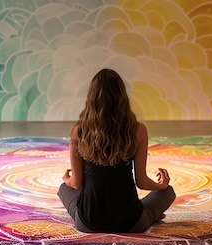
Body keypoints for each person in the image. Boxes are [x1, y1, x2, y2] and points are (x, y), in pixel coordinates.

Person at [57, 68, 176, 233]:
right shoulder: (138, 130)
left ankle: (150, 212)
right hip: (133, 223)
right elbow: (141, 182)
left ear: (91, 98)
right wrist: (161, 185)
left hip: (87, 224)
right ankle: (151, 213)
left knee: (64, 188)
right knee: (168, 192)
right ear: (122, 97)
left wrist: (67, 179)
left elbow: (76, 184)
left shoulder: (78, 131)